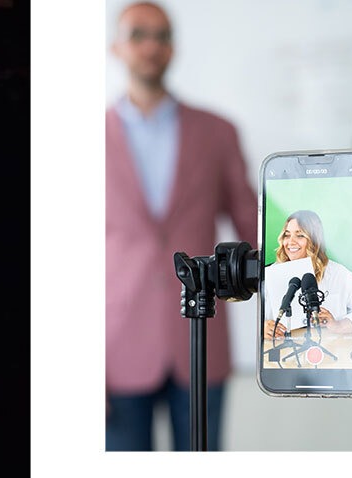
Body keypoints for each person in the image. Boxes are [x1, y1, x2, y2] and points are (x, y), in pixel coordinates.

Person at [106, 2, 258, 451]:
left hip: (201, 337)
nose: (152, 46)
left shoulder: (217, 131)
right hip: (116, 343)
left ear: (174, 48)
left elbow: (251, 223)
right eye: (138, 35)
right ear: (116, 47)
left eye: (163, 36)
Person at [263, 210, 352, 367]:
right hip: (286, 363)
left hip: (330, 361)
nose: (290, 242)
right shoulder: (271, 274)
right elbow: (260, 317)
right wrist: (264, 327)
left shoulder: (339, 274)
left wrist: (339, 326)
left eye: (300, 235)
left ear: (314, 239)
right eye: (287, 235)